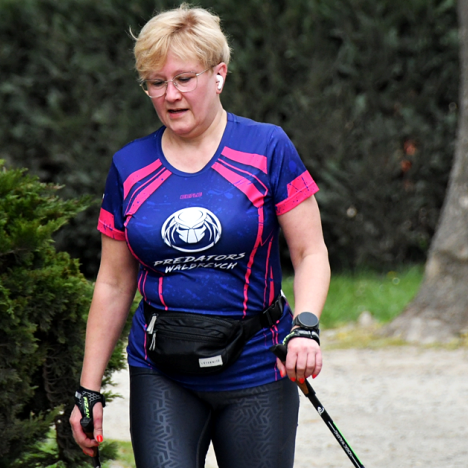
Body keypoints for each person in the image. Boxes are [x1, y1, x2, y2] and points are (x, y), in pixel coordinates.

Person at [69, 4, 330, 467]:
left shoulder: (267, 148)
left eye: (184, 78)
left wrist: (305, 328)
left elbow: (310, 251)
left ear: (219, 75)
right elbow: (112, 283)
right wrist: (88, 390)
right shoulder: (129, 166)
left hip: (257, 366)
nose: (170, 95)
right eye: (156, 82)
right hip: (163, 372)